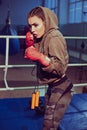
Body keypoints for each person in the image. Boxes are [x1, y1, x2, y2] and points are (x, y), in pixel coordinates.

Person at [24, 6, 73, 130]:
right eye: (30, 26)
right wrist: (31, 44)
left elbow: (60, 67)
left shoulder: (54, 37)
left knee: (49, 125)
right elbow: (41, 51)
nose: (32, 29)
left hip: (61, 87)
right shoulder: (43, 36)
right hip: (52, 86)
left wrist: (40, 57)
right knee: (47, 116)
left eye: (36, 25)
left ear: (46, 22)